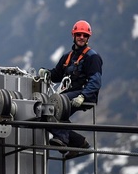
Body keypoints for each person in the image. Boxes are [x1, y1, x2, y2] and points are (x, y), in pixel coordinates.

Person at [39, 20, 103, 159]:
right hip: (68, 94)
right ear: (73, 35)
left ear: (88, 38)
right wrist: (47, 73)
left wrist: (83, 96)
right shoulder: (67, 57)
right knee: (43, 113)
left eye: (85, 35)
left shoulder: (92, 57)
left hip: (84, 94)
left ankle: (63, 139)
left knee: (53, 108)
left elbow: (95, 81)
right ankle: (79, 142)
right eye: (79, 34)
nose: (81, 37)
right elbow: (57, 75)